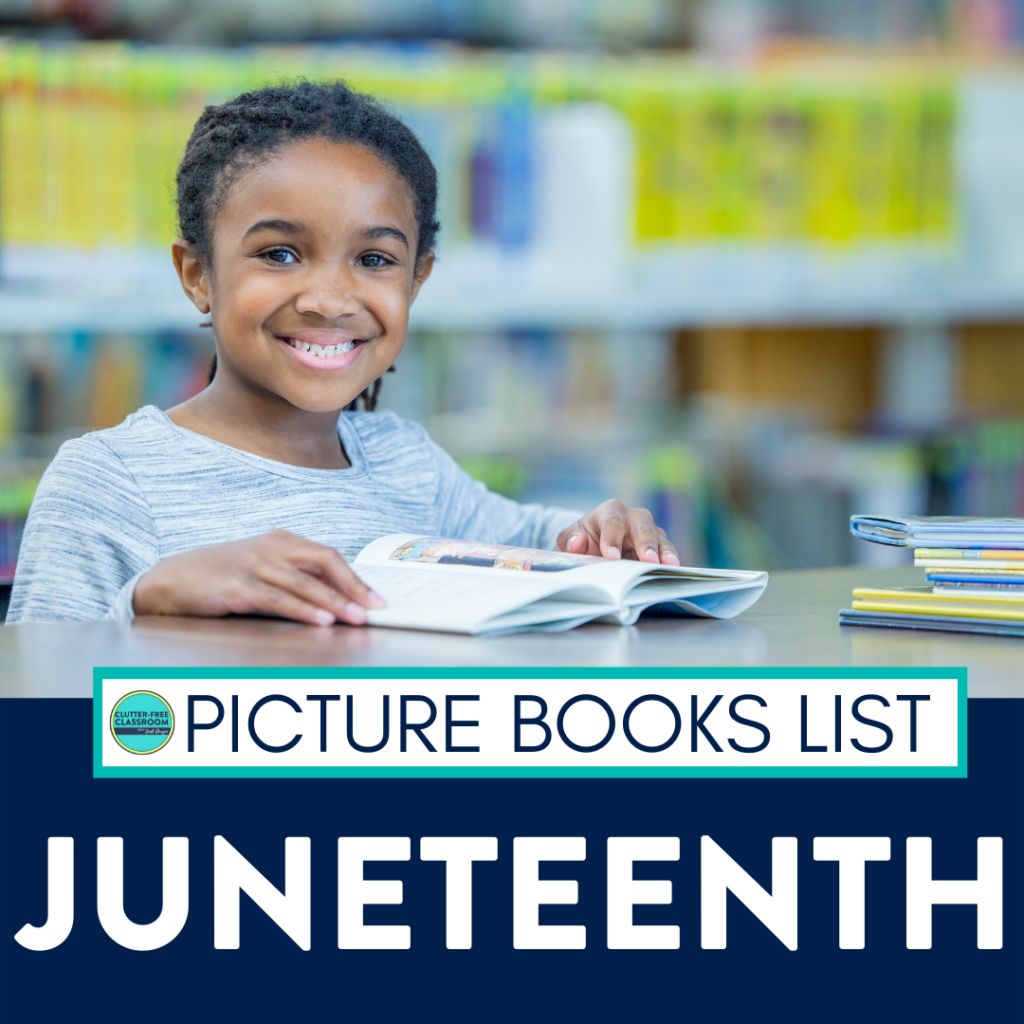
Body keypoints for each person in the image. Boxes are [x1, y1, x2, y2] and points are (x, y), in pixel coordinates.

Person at [6, 81, 679, 627]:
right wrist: (147, 598)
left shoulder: (408, 466)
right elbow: (34, 700)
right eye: (279, 254)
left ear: (417, 281)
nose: (330, 299)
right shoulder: (109, 481)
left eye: (375, 259)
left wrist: (597, 534)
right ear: (198, 275)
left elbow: (535, 540)